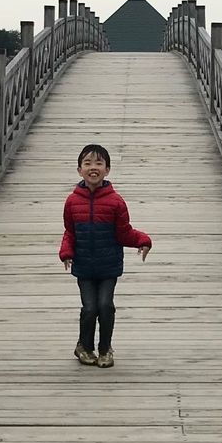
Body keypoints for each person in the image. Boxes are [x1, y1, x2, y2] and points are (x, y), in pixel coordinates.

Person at [59, 144, 152, 368]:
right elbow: (70, 232)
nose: (93, 168)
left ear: (107, 170)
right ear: (79, 170)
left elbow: (124, 232)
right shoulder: (72, 202)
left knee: (105, 306)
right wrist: (66, 253)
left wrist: (143, 240)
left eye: (99, 163)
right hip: (83, 266)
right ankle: (84, 346)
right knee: (90, 308)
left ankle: (105, 349)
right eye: (87, 163)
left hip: (108, 265)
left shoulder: (115, 202)